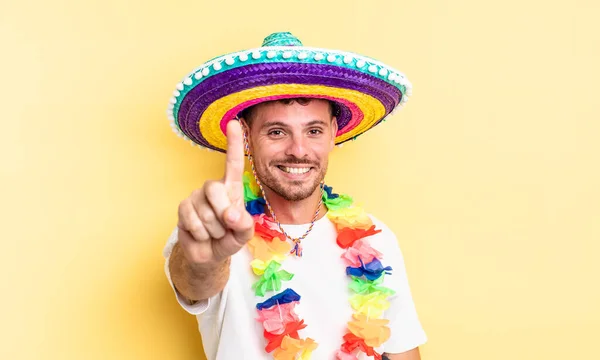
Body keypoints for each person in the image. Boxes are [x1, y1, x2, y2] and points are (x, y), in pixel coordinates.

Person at [163, 32, 427, 360]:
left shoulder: (378, 240)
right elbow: (194, 282)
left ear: (333, 132)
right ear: (246, 138)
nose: (298, 150)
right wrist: (207, 260)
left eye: (313, 131)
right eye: (276, 132)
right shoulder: (215, 229)